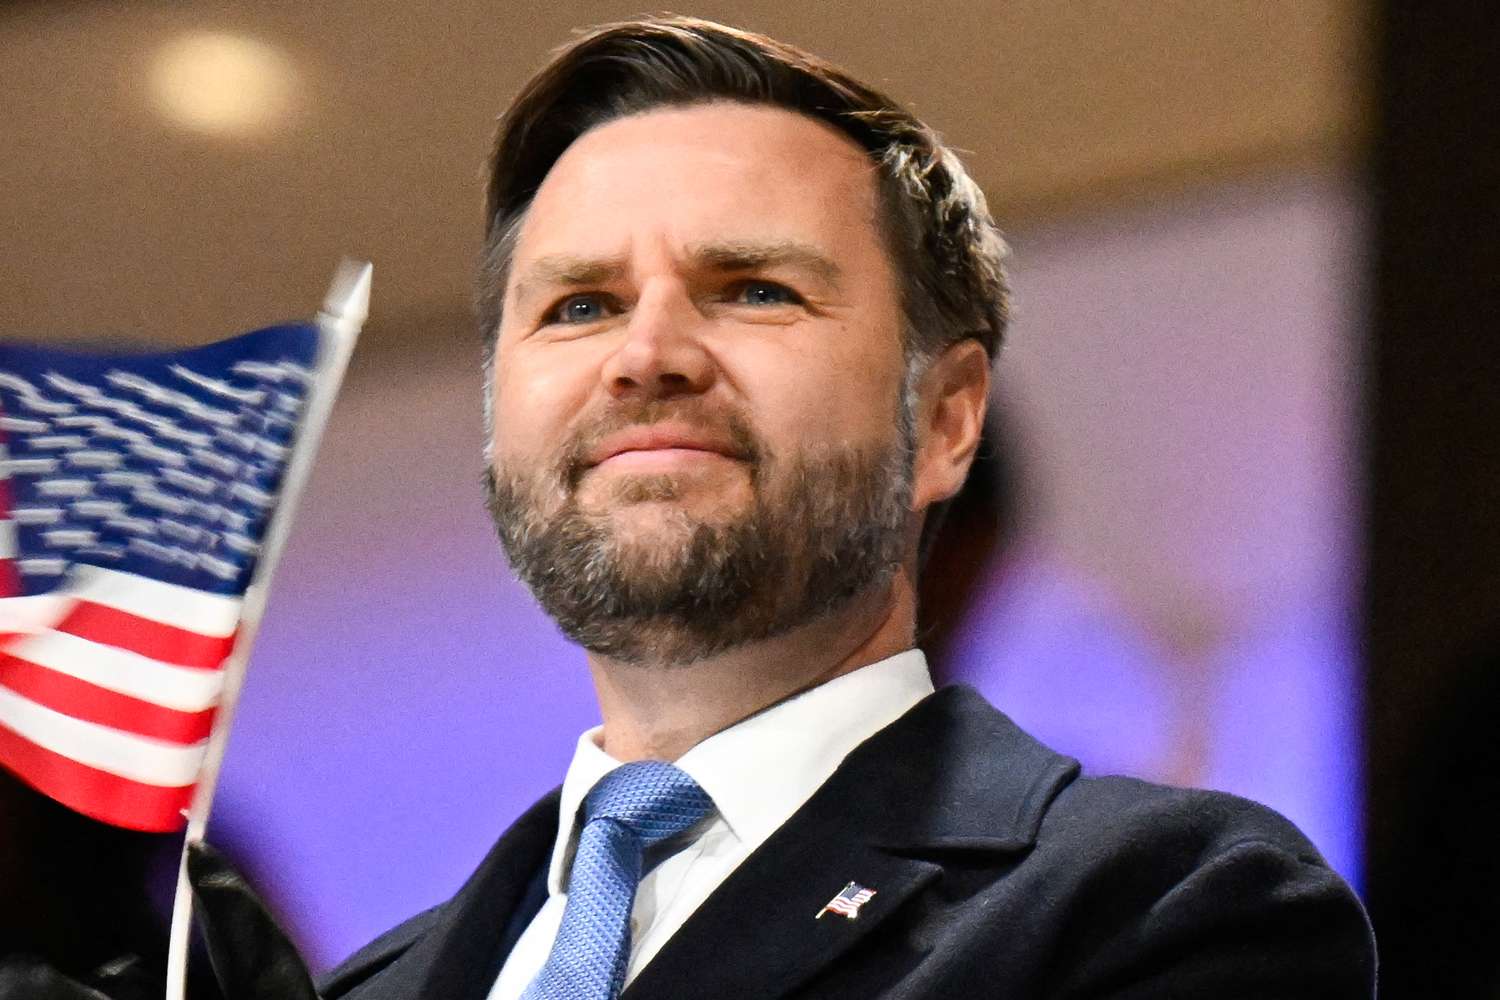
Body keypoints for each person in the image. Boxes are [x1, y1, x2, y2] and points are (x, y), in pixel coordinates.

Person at [0, 14, 1377, 1000]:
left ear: (945, 416)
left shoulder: (1160, 910)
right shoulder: (390, 981)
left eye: (753, 288)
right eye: (578, 304)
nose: (646, 353)